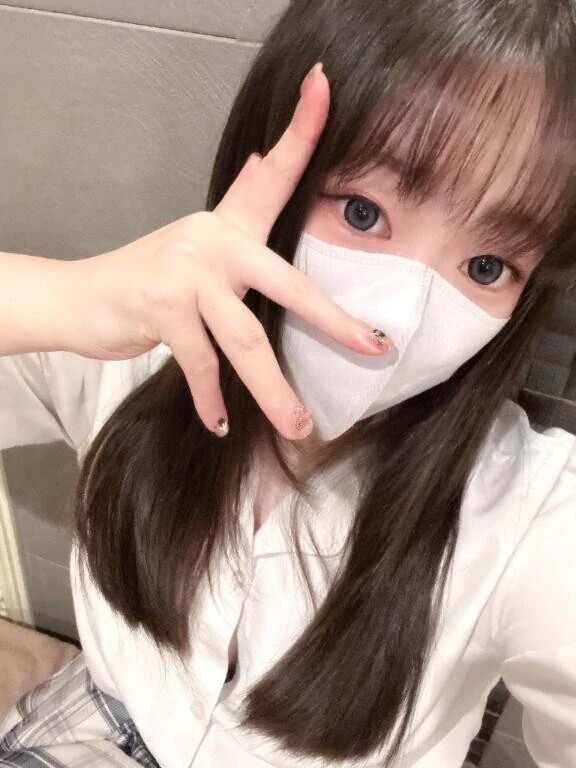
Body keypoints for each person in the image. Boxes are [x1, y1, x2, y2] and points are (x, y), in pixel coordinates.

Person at [0, 0, 575, 766]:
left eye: (486, 266)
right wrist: (76, 296)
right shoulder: (140, 357)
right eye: (363, 211)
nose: (400, 323)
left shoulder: (528, 515)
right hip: (94, 723)